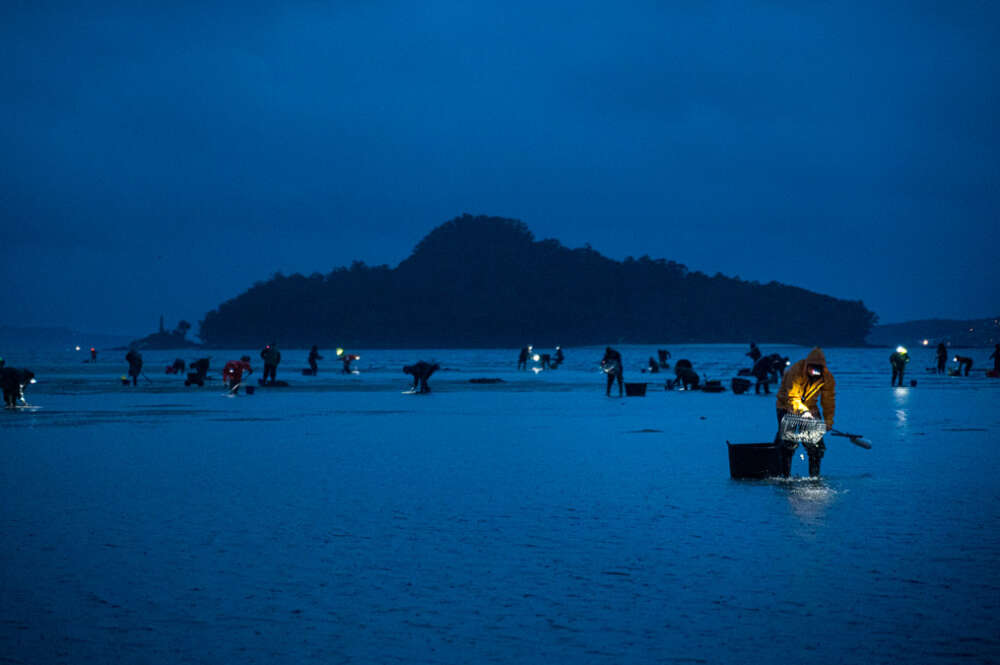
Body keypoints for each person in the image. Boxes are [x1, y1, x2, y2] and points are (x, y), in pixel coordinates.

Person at [775, 347, 836, 478]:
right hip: (787, 407)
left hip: (811, 409)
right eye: (812, 368)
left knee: (816, 446)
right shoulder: (795, 371)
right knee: (788, 443)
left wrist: (828, 421)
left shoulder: (827, 378)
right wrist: (803, 412)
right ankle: (784, 476)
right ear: (807, 365)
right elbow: (792, 397)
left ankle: (814, 477)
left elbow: (828, 401)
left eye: (818, 369)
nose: (814, 372)